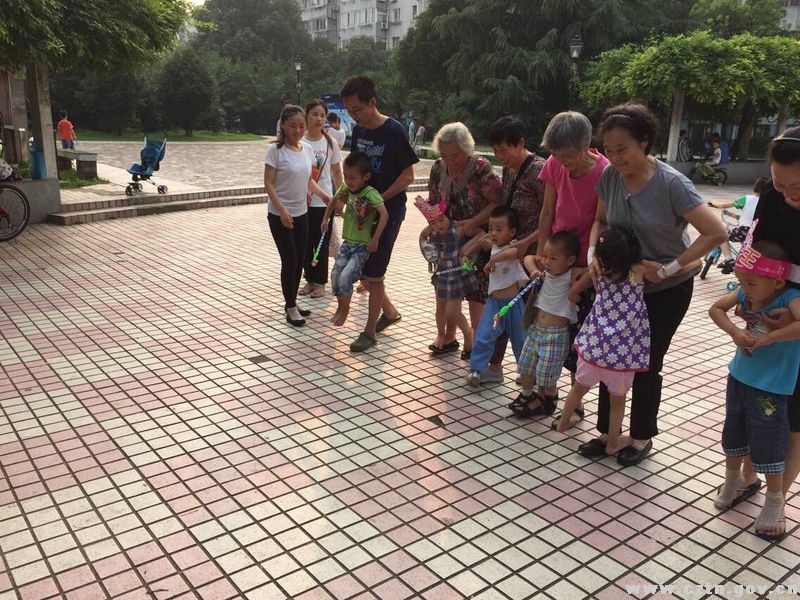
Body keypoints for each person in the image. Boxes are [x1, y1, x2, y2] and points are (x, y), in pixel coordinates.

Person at [581, 103, 726, 467]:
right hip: (620, 287)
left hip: (665, 290)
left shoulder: (671, 184)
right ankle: (608, 433)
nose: (615, 158)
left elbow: (716, 232)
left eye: (622, 149)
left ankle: (641, 436)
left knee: (647, 362)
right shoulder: (610, 176)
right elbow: (600, 221)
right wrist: (592, 255)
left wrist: (667, 269)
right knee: (609, 354)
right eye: (609, 150)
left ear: (644, 142)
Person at [732, 127, 800, 538]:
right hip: (770, 312)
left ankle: (777, 501)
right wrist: (746, 298)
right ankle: (746, 477)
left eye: (798, 187)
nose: (788, 194)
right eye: (779, 183)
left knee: (794, 420)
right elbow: (753, 256)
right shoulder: (772, 199)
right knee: (758, 403)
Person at [709, 240, 800, 541]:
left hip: (771, 388)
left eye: (750, 282)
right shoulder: (746, 293)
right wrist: (734, 331)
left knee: (769, 443)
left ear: (777, 281)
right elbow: (716, 308)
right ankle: (732, 480)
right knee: (733, 433)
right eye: (741, 280)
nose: (744, 288)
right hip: (739, 377)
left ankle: (774, 500)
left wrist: (771, 337)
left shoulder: (791, 298)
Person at [532, 111, 610, 425]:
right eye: (557, 156)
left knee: (581, 339)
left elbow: (603, 222)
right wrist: (542, 254)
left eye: (568, 156)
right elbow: (547, 212)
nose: (563, 163)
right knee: (552, 332)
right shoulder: (554, 164)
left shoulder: (605, 172)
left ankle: (575, 405)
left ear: (585, 146)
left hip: (584, 267)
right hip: (556, 262)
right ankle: (548, 392)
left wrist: (589, 268)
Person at [340, 76, 419, 352]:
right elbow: (354, 169)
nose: (354, 116)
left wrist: (377, 201)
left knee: (374, 273)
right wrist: (346, 196)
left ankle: (370, 332)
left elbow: (408, 176)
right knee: (363, 267)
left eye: (357, 110)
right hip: (362, 212)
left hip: (388, 212)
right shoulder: (359, 131)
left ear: (372, 102)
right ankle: (389, 312)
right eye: (350, 111)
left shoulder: (394, 131)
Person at [556, 227, 650, 456]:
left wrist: (576, 289)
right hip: (621, 359)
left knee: (577, 390)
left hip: (593, 352)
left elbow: (580, 285)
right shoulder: (638, 271)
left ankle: (563, 423)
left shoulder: (599, 271)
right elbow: (663, 272)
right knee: (617, 402)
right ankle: (612, 443)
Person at [426, 122, 503, 355]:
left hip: (477, 239)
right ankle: (448, 337)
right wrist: (433, 225)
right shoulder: (438, 168)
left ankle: (476, 344)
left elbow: (498, 201)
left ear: (467, 149)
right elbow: (432, 203)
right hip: (448, 241)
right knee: (449, 290)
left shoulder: (480, 168)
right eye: (445, 155)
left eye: (455, 156)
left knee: (475, 293)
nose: (450, 160)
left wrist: (473, 222)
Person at [487, 116, 546, 383]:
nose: (500, 157)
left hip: (531, 259)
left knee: (527, 317)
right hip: (509, 254)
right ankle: (495, 366)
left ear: (520, 143)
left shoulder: (539, 171)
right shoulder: (509, 169)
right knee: (503, 309)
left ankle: (531, 373)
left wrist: (526, 244)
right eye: (496, 151)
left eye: (504, 150)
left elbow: (551, 217)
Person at [264, 105, 333, 327]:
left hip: (302, 213)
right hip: (280, 216)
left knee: (300, 259)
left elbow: (308, 179)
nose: (298, 130)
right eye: (293, 126)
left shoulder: (307, 149)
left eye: (301, 126)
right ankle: (291, 307)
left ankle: (292, 301)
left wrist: (324, 196)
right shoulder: (275, 151)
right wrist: (282, 210)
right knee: (290, 260)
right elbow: (268, 184)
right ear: (283, 126)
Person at [509, 230, 580, 417]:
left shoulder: (570, 274)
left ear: (570, 260)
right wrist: (534, 270)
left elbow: (591, 273)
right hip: (536, 329)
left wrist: (578, 285)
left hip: (556, 334)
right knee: (525, 366)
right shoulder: (546, 272)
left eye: (553, 258)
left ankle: (550, 395)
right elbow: (528, 258)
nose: (547, 261)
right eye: (545, 256)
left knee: (545, 374)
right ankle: (527, 395)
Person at [462, 206, 528, 387]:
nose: (493, 233)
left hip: (514, 304)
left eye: (499, 229)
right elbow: (479, 242)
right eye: (491, 228)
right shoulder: (492, 243)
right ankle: (476, 370)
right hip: (494, 304)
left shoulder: (514, 245)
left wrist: (493, 260)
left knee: (521, 338)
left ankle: (526, 372)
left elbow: (511, 253)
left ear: (512, 232)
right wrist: (467, 255)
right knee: (484, 334)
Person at [323, 152, 388, 327]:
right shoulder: (346, 188)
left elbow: (384, 215)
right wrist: (325, 219)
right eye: (346, 176)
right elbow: (333, 201)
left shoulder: (371, 193)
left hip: (362, 246)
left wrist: (375, 239)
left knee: (345, 276)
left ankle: (345, 309)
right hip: (347, 243)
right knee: (335, 274)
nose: (348, 181)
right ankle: (340, 306)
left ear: (366, 176)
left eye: (352, 177)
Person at [416, 196, 475, 358]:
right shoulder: (433, 231)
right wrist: (426, 233)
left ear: (448, 216)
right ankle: (441, 336)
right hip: (441, 274)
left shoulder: (458, 228)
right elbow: (422, 239)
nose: (439, 225)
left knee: (452, 311)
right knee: (440, 309)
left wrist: (468, 251)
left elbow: (480, 233)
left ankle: (468, 333)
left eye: (441, 220)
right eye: (434, 223)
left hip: (456, 275)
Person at [299, 100, 344, 299]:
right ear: (306, 115)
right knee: (305, 242)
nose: (318, 119)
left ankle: (320, 283)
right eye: (314, 114)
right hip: (301, 201)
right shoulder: (300, 141)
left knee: (321, 242)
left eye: (322, 115)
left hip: (324, 202)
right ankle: (309, 279)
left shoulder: (330, 142)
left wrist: (341, 196)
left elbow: (337, 172)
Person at [709, 177, 770, 272]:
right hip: (758, 234)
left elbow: (724, 205)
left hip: (744, 231)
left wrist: (713, 203)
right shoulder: (767, 204)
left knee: (722, 236)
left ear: (755, 187)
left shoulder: (747, 199)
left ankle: (729, 260)